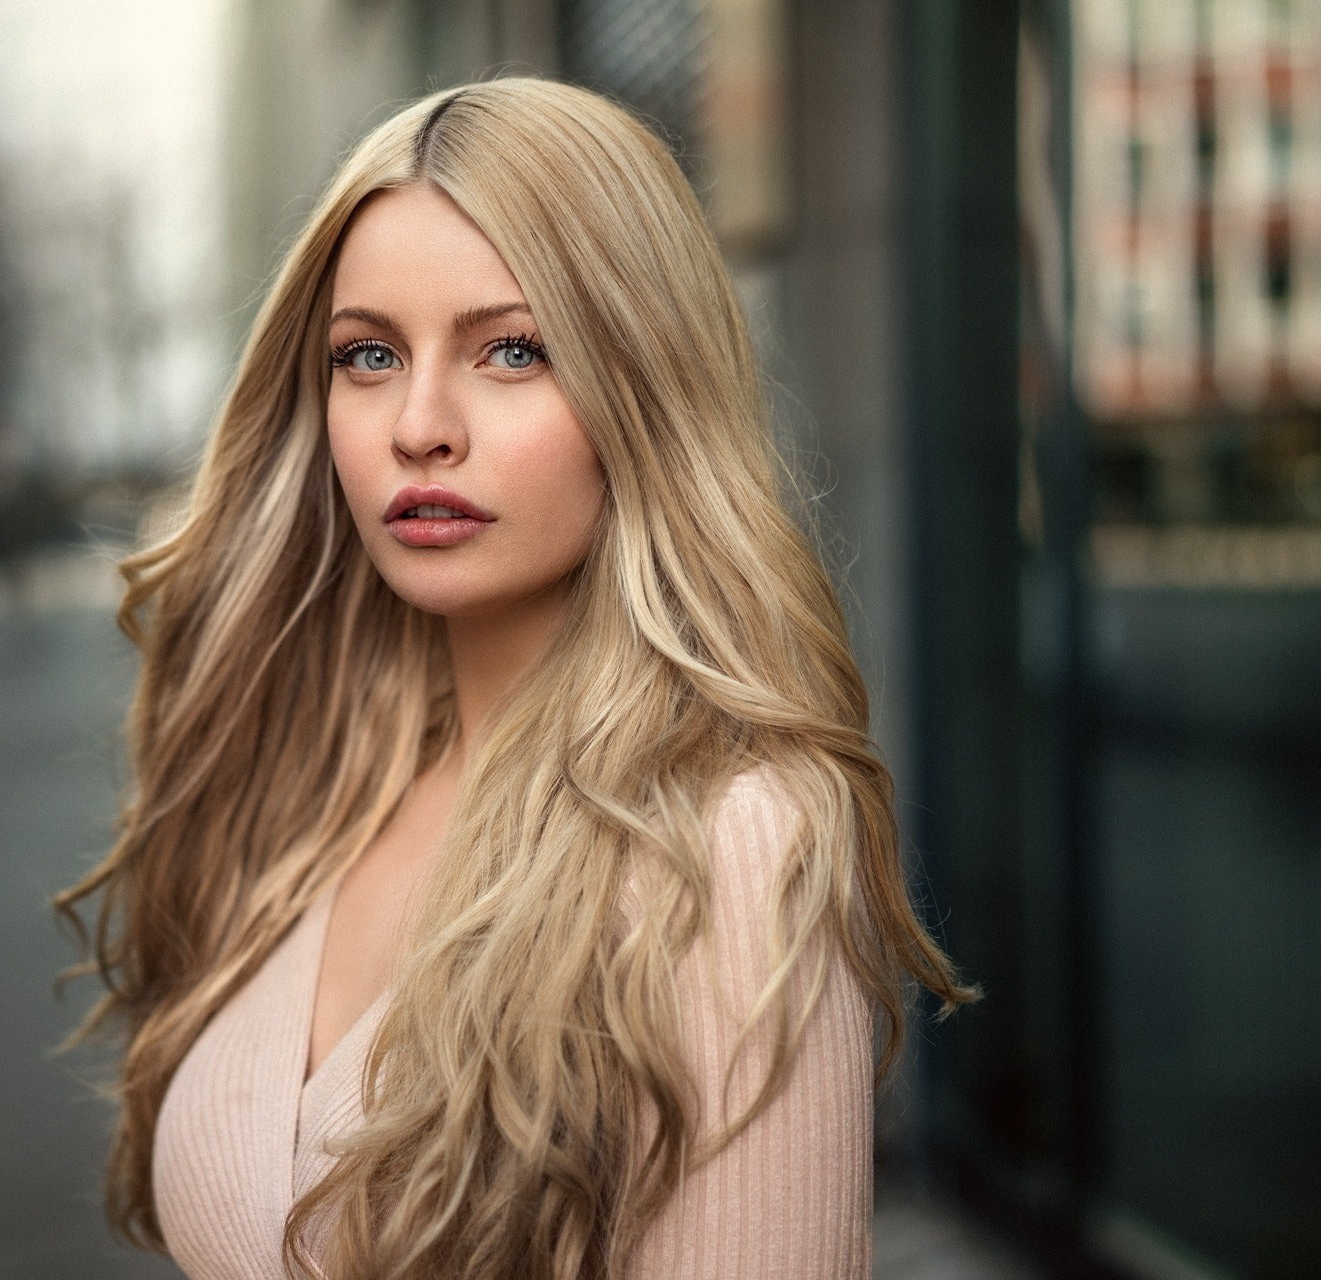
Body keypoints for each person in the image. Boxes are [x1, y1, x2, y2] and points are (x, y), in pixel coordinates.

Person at [56, 77, 974, 1280]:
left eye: (513, 350)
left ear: (641, 392)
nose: (420, 424)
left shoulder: (731, 837)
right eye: (369, 354)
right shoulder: (311, 790)